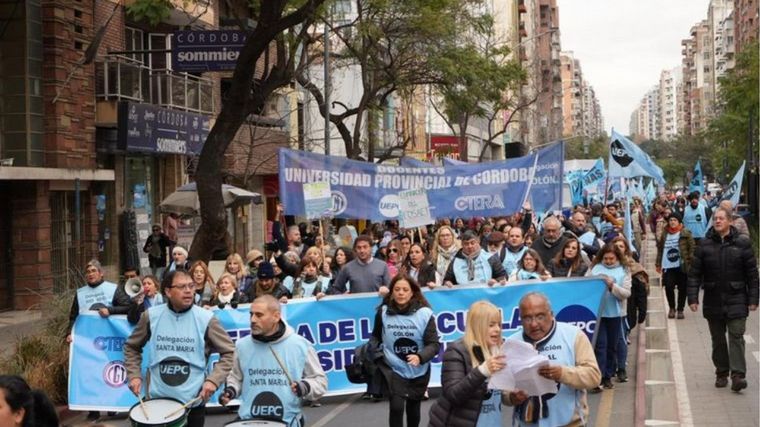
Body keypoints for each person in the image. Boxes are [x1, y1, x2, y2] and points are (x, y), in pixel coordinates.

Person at [124, 269, 235, 427]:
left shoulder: (206, 319)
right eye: (182, 287)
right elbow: (131, 347)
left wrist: (213, 381)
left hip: (193, 402)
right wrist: (134, 375)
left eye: (191, 286)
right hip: (158, 400)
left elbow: (229, 352)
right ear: (168, 291)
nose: (188, 291)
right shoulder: (151, 316)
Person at [220, 295, 327, 425]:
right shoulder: (242, 345)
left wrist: (304, 386)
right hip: (249, 421)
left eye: (259, 315)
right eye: (251, 315)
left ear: (276, 317)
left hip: (286, 421)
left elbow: (320, 382)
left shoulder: (300, 345)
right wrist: (230, 391)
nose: (253, 320)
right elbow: (236, 378)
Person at [687, 207, 758, 392]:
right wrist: (693, 298)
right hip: (713, 299)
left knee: (736, 336)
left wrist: (753, 298)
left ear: (730, 221)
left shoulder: (742, 244)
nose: (717, 221)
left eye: (721, 218)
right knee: (718, 339)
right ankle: (721, 372)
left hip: (737, 298)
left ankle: (738, 375)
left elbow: (752, 275)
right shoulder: (704, 244)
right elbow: (694, 274)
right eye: (715, 219)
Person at [505, 293, 601, 426]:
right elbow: (504, 390)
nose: (533, 324)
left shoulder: (573, 335)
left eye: (540, 316)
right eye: (527, 318)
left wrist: (562, 373)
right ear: (520, 319)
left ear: (551, 314)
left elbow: (594, 376)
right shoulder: (511, 343)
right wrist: (511, 397)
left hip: (570, 423)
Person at [371, 276, 440, 427]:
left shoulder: (425, 314)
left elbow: (434, 345)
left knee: (413, 407)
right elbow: (375, 336)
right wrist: (374, 351)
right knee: (396, 407)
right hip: (394, 368)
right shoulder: (383, 312)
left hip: (418, 369)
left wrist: (420, 357)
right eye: (397, 289)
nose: (401, 293)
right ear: (392, 293)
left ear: (412, 293)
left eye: (405, 290)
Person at [428, 301, 509, 426]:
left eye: (499, 324)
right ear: (478, 326)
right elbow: (453, 395)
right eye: (491, 325)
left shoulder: (501, 350)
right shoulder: (457, 350)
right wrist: (483, 371)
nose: (497, 329)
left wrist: (511, 397)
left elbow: (497, 394)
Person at [587, 244, 631, 392]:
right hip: (598, 314)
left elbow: (625, 293)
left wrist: (612, 286)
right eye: (605, 258)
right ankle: (598, 377)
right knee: (600, 345)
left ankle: (608, 375)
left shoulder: (623, 271)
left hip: (615, 314)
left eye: (611, 259)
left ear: (617, 257)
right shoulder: (595, 269)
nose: (608, 261)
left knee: (612, 346)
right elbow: (585, 284)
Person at [610, 236, 648, 383]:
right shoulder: (604, 265)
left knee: (621, 338)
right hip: (609, 310)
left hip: (627, 309)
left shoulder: (632, 267)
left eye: (621, 246)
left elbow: (640, 291)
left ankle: (621, 366)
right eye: (616, 245)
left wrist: (642, 310)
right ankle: (612, 366)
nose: (619, 249)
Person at [66, 259, 130, 343]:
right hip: (87, 337)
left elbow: (127, 307)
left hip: (109, 337)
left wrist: (110, 310)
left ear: (101, 273)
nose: (90, 274)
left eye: (93, 271)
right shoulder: (80, 293)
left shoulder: (113, 289)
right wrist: (69, 333)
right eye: (88, 272)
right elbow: (73, 317)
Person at [656, 213, 695, 319]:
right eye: (671, 220)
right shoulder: (665, 233)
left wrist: (690, 261)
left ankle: (680, 309)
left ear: (679, 222)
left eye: (675, 220)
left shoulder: (686, 233)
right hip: (668, 266)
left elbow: (692, 248)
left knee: (683, 288)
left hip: (682, 265)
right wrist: (658, 263)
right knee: (668, 287)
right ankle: (672, 308)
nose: (672, 222)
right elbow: (660, 249)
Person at [323, 236, 391, 297]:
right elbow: (335, 288)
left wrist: (386, 289)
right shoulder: (348, 267)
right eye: (359, 247)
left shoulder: (382, 265)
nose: (362, 250)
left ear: (371, 248)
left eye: (365, 247)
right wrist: (342, 296)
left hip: (377, 307)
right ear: (355, 249)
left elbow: (390, 288)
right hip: (355, 308)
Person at [443, 230, 507, 287]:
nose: (470, 246)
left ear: (478, 241)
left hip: (486, 296)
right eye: (466, 244)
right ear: (462, 244)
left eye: (472, 243)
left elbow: (503, 276)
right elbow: (447, 280)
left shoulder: (490, 257)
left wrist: (496, 281)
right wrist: (447, 283)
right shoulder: (455, 261)